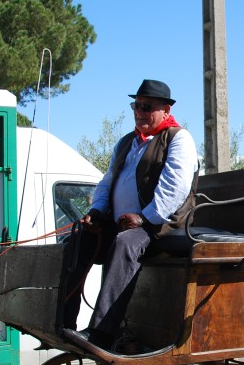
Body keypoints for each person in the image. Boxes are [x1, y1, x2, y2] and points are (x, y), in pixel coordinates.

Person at [62, 79, 198, 350]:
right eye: (136, 106)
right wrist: (97, 211)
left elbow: (176, 186)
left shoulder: (178, 138)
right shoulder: (127, 142)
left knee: (125, 244)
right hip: (124, 224)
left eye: (146, 107)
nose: (139, 112)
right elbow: (108, 180)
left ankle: (101, 334)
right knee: (77, 240)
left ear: (166, 109)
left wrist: (145, 218)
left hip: (160, 226)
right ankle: (64, 323)